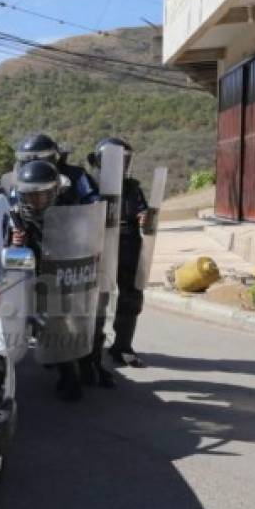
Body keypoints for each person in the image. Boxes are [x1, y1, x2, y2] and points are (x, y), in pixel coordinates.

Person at [9, 160, 85, 401]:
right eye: (31, 197)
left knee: (57, 325)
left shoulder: (68, 216)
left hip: (54, 280)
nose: (36, 202)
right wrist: (14, 244)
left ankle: (70, 375)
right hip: (20, 282)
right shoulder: (13, 217)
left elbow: (81, 247)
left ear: (54, 193)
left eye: (42, 196)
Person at [89, 137, 149, 368]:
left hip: (128, 246)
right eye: (117, 161)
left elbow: (142, 212)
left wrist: (144, 217)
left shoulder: (133, 188)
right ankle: (92, 349)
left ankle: (123, 346)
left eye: (125, 160)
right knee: (98, 300)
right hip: (100, 247)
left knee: (131, 298)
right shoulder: (90, 185)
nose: (122, 165)